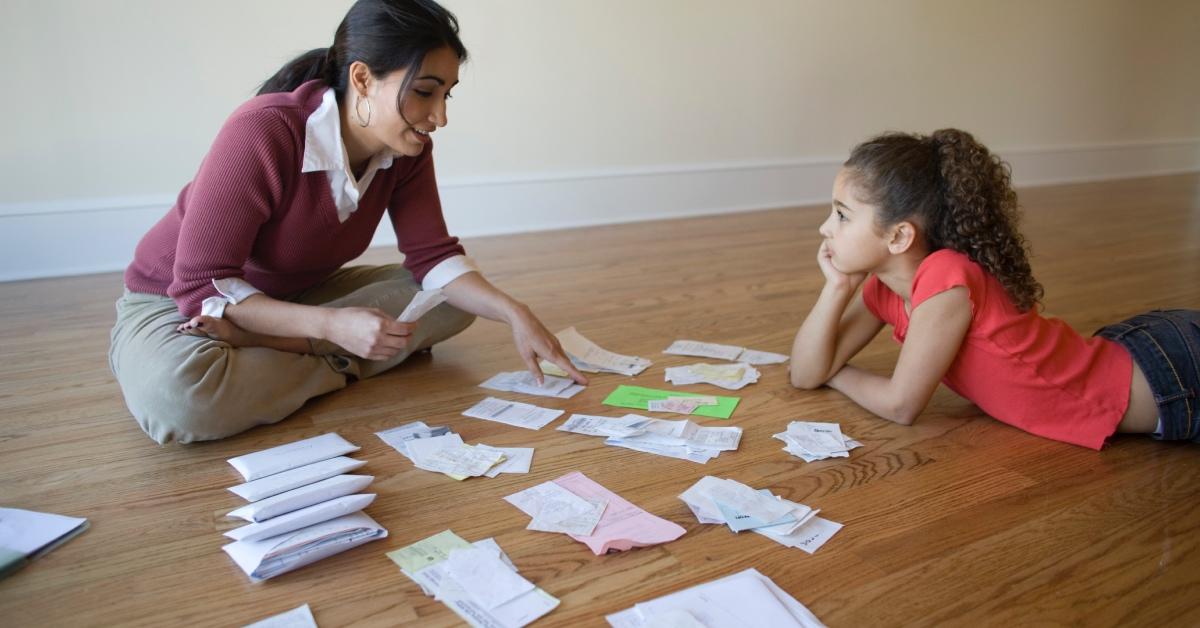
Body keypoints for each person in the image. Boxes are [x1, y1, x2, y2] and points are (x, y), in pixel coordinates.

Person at [109, 0, 586, 445]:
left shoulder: (407, 149)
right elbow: (204, 288)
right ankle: (331, 356)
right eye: (424, 93)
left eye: (447, 96)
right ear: (361, 79)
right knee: (180, 399)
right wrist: (334, 327)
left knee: (449, 300)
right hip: (175, 301)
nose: (438, 117)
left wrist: (514, 312)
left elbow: (433, 256)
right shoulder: (264, 130)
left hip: (290, 296)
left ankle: (272, 344)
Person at [789, 128, 1198, 449]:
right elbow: (805, 374)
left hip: (1173, 379)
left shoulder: (946, 278)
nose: (825, 228)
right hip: (1140, 357)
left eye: (842, 215)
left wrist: (836, 372)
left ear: (899, 237)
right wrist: (837, 288)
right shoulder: (884, 291)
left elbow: (901, 405)